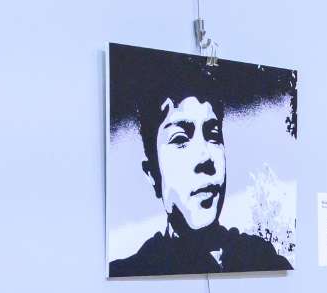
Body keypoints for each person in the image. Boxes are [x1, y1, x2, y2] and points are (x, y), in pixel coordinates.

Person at [109, 74, 292, 277]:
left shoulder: (263, 260)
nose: (205, 157)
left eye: (213, 136)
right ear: (152, 174)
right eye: (180, 139)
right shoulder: (132, 271)